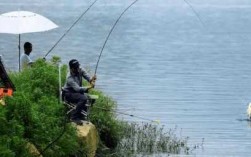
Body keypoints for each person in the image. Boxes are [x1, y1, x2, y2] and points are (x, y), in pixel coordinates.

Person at [62, 59, 96, 124]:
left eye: (78, 67)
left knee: (92, 98)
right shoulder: (69, 77)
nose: (78, 69)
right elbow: (78, 89)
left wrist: (92, 80)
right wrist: (90, 87)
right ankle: (74, 117)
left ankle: (81, 115)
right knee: (83, 98)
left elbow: (87, 76)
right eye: (76, 68)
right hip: (69, 94)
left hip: (76, 93)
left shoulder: (80, 69)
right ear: (71, 69)